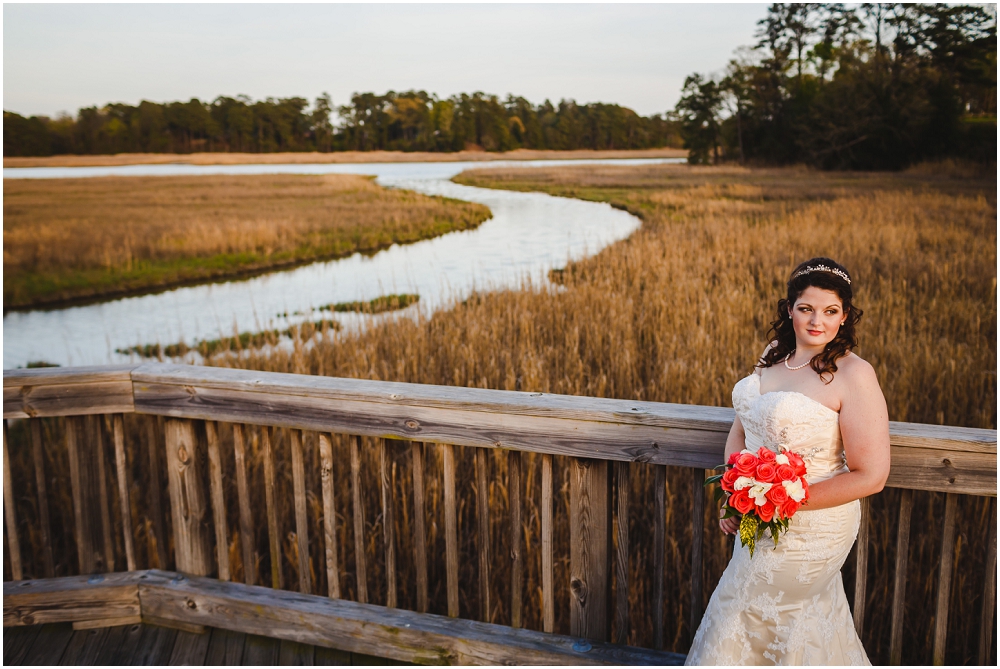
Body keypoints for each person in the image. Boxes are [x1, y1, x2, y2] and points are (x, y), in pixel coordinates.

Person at [685, 257, 890, 666]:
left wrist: (778, 502)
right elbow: (742, 431)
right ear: (790, 309)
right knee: (759, 611)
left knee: (753, 606)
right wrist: (736, 495)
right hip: (760, 517)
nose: (818, 321)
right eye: (806, 308)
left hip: (816, 526)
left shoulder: (854, 374)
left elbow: (872, 475)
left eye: (831, 311)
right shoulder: (773, 355)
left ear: (844, 315)